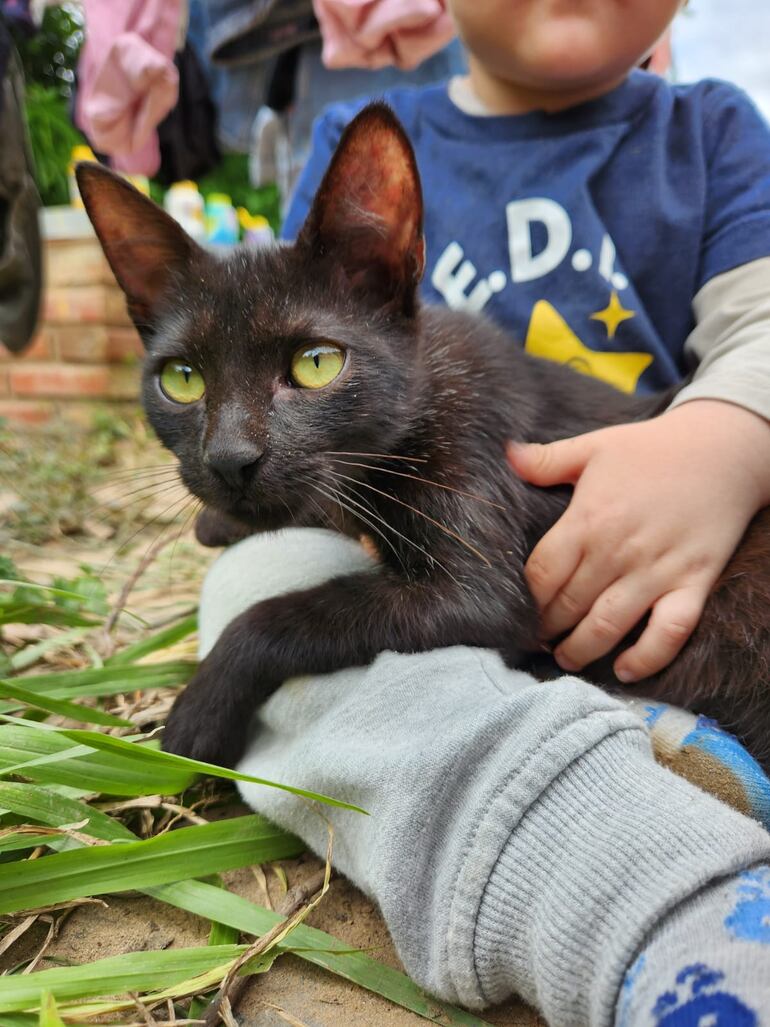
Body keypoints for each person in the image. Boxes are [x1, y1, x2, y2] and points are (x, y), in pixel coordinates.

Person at [204, 2, 770, 1023]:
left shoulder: (712, 132)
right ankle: (643, 888)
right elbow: (282, 339)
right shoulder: (362, 142)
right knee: (255, 580)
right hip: (500, 632)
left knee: (276, 629)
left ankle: (671, 854)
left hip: (711, 575)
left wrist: (727, 437)